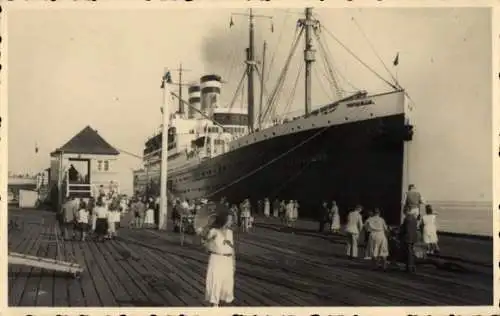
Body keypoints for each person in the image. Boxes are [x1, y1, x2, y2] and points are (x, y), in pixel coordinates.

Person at [201, 206, 235, 307]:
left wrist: (233, 263)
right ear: (224, 220)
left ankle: (221, 304)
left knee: (226, 284)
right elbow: (204, 242)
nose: (231, 222)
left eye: (231, 220)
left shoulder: (230, 232)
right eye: (229, 220)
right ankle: (214, 305)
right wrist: (208, 244)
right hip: (216, 259)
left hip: (227, 260)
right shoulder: (214, 231)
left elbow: (232, 249)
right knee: (215, 281)